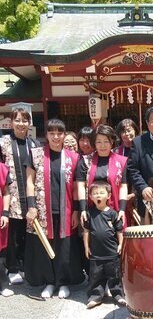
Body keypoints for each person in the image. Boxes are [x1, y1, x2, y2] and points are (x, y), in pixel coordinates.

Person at [25, 119, 84, 299]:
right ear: (46, 135)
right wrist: (31, 206)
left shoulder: (74, 157)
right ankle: (49, 282)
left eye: (59, 133)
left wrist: (75, 210)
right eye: (52, 133)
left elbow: (75, 187)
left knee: (64, 247)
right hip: (42, 210)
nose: (56, 137)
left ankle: (63, 282)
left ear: (65, 134)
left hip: (65, 210)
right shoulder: (36, 154)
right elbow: (30, 182)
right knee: (45, 246)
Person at [0, 108, 40, 284]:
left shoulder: (34, 144)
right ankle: (12, 267)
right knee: (13, 233)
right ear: (11, 122)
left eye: (24, 121)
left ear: (29, 123)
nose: (21, 124)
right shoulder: (3, 143)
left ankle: (24, 264)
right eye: (17, 120)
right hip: (12, 194)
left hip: (31, 194)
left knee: (28, 232)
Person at [83, 181, 126, 309]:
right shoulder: (89, 213)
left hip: (112, 253)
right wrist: (86, 246)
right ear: (90, 197)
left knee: (115, 276)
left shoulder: (113, 213)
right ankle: (96, 296)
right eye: (95, 193)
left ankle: (118, 295)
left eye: (101, 193)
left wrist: (120, 245)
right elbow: (86, 232)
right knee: (96, 276)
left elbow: (119, 231)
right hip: (96, 254)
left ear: (108, 195)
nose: (98, 196)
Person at [77, 125, 128, 227]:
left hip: (114, 210)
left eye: (106, 141)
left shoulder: (121, 161)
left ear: (112, 142)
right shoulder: (85, 161)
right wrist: (83, 209)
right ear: (94, 143)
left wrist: (122, 209)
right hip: (92, 210)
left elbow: (123, 186)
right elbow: (80, 186)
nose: (102, 145)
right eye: (99, 142)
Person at [0, 162, 13, 297]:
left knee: (1, 253)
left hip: (0, 214)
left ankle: (3, 284)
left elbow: (6, 192)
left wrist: (4, 213)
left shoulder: (2, 168)